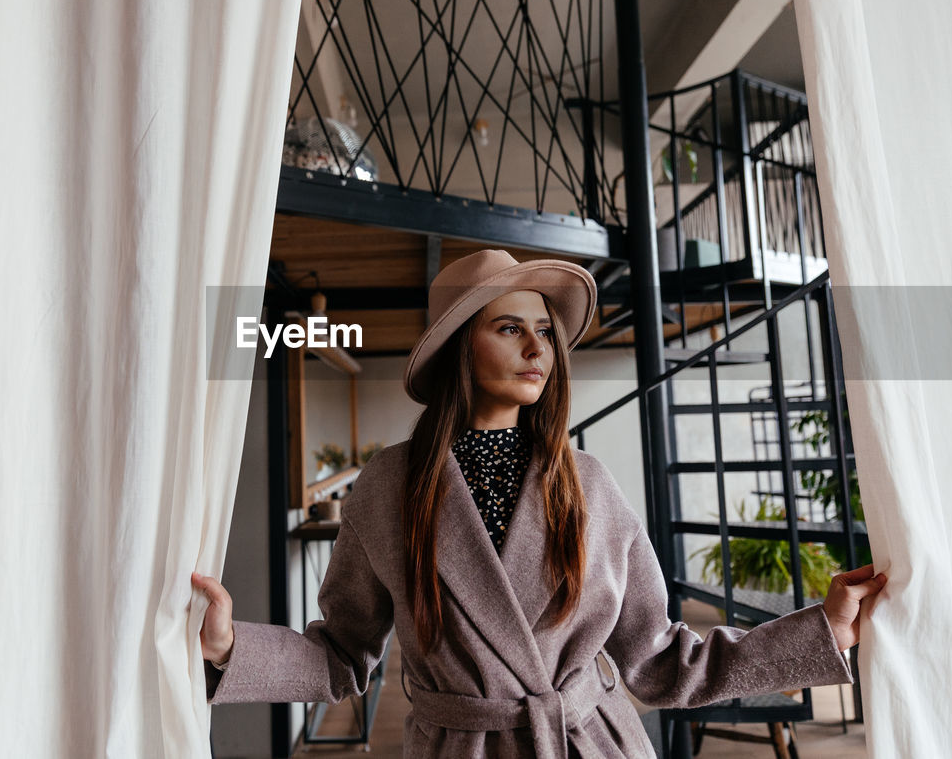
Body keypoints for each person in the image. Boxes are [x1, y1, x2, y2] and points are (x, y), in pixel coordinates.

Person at [191, 249, 887, 758]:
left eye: (545, 330)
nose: (538, 347)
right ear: (461, 345)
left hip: (590, 744)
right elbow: (343, 655)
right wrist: (229, 645)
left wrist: (820, 631)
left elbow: (661, 660)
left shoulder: (588, 484)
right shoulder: (386, 488)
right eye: (509, 328)